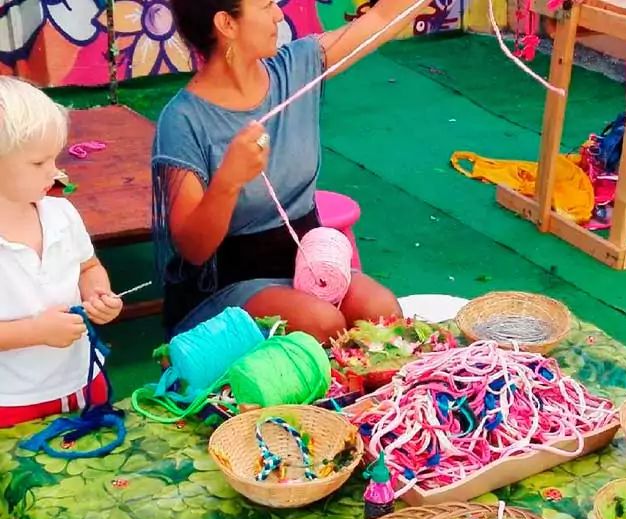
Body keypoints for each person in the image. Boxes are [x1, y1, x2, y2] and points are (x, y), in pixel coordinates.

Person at [153, 0, 427, 342]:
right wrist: (228, 181)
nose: (278, 15)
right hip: (224, 284)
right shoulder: (183, 121)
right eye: (266, 5)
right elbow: (194, 249)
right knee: (321, 324)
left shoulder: (297, 67)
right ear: (227, 24)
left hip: (303, 263)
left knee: (381, 312)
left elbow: (385, 15)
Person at [0, 76, 123, 428]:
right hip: (11, 402)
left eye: (54, 158)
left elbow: (89, 266)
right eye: (39, 163)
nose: (54, 172)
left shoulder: (61, 214)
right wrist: (36, 332)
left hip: (84, 381)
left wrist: (97, 293)